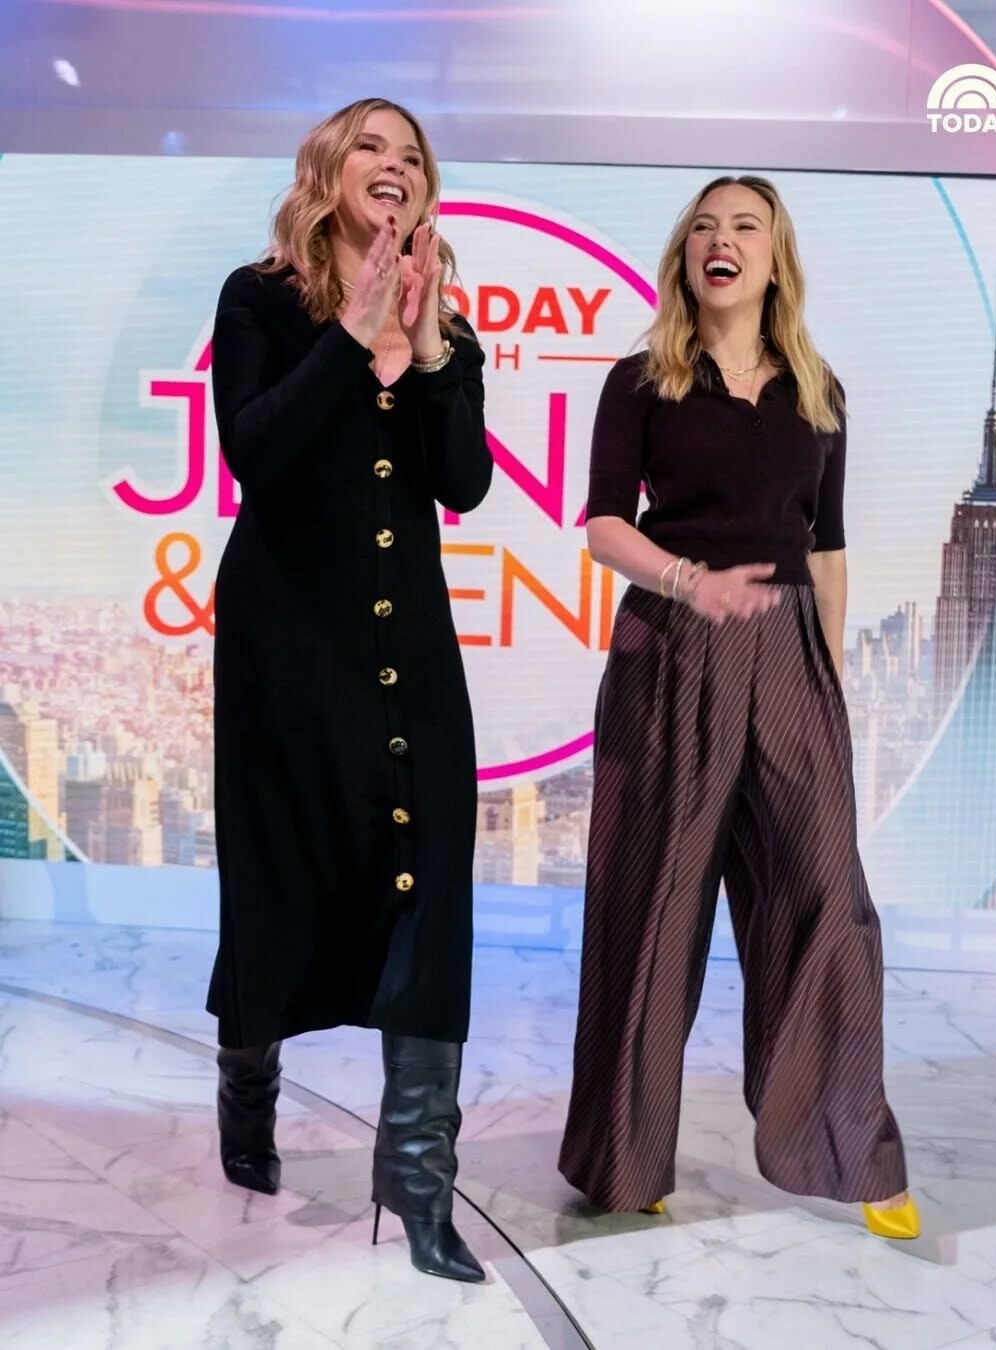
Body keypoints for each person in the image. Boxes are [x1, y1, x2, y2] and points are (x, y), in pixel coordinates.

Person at [558, 175, 919, 1241]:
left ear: (774, 259)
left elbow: (828, 546)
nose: (722, 240)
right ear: (687, 257)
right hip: (672, 647)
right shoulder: (642, 380)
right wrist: (689, 582)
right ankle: (625, 1161)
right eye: (705, 228)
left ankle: (854, 1151)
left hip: (791, 655)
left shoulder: (819, 390)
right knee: (653, 907)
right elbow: (603, 526)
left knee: (830, 899)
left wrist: (827, 678)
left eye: (744, 227)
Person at [206, 98, 493, 1283]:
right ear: (328, 172)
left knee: (432, 886)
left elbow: (462, 483)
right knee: (280, 880)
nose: (394, 165)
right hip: (285, 647)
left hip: (408, 651)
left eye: (411, 155)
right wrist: (350, 334)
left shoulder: (447, 329)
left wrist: (425, 354)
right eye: (372, 146)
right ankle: (248, 1085)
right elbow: (254, 452)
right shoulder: (259, 300)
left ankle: (418, 1181)